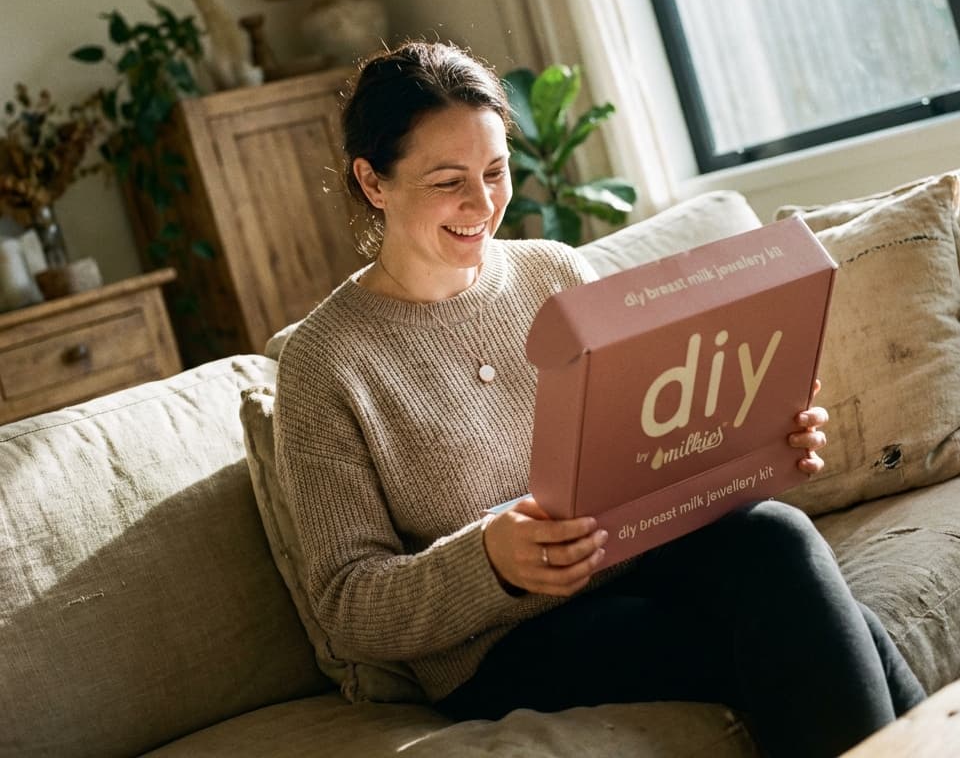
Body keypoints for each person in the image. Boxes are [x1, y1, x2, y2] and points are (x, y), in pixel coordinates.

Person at [274, 40, 925, 758]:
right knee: (801, 633)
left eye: (496, 172)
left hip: (642, 561)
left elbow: (647, 438)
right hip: (503, 645)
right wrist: (489, 561)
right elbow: (347, 606)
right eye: (447, 181)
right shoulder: (324, 362)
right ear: (373, 182)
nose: (483, 204)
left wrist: (758, 438)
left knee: (777, 537)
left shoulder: (552, 271)